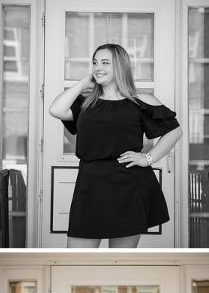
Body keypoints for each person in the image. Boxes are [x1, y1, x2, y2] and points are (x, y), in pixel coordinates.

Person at [49, 43, 184, 248]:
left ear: (120, 66)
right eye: (95, 63)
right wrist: (86, 80)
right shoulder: (85, 102)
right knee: (77, 259)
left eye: (105, 63)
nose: (98, 67)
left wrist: (148, 159)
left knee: (120, 260)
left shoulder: (140, 100)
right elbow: (56, 109)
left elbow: (174, 131)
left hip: (129, 186)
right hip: (90, 185)